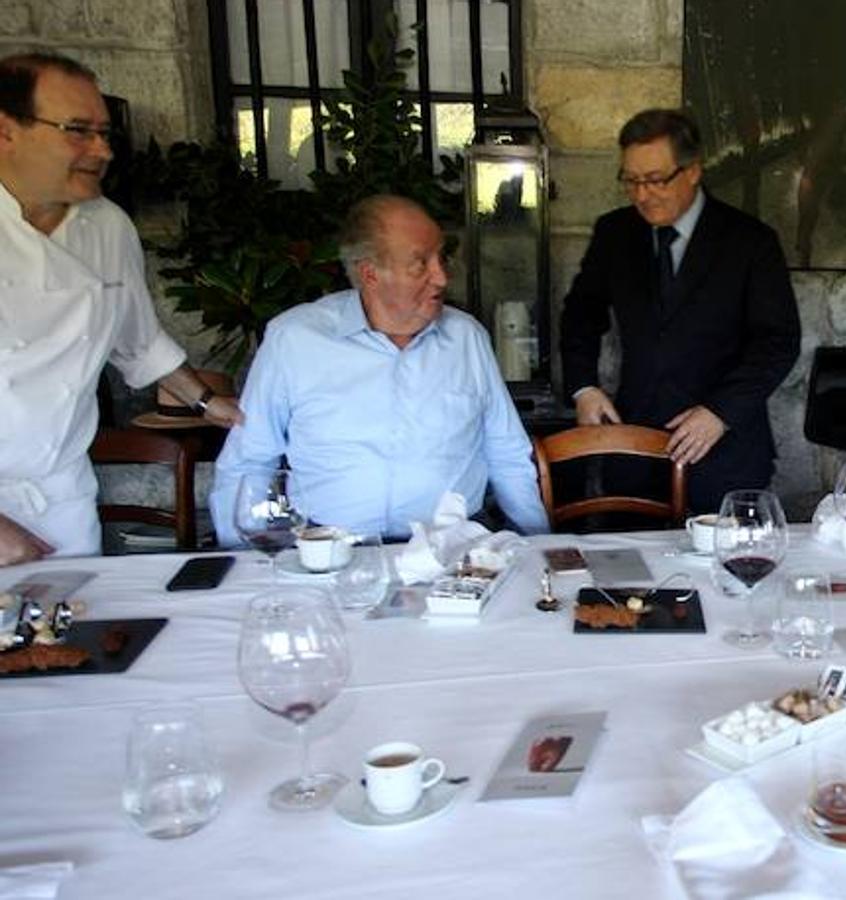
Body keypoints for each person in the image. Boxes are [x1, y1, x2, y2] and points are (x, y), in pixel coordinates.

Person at [0, 52, 242, 565]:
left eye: (105, 133)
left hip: (61, 496)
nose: (102, 150)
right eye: (78, 130)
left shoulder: (107, 226)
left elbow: (139, 340)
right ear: (6, 132)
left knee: (71, 639)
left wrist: (211, 406)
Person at [209, 194, 549, 545]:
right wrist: (237, 560)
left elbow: (506, 452)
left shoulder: (466, 337)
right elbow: (249, 461)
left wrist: (541, 545)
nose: (441, 277)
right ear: (370, 273)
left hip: (452, 554)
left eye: (441, 258)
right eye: (421, 263)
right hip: (327, 552)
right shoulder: (294, 340)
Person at [559, 109, 800, 514]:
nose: (641, 194)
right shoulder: (614, 233)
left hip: (726, 453)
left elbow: (777, 341)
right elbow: (580, 314)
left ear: (692, 171)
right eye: (630, 181)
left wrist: (720, 412)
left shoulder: (750, 241)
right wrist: (583, 387)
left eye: (654, 180)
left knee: (723, 571)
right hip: (633, 448)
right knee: (631, 572)